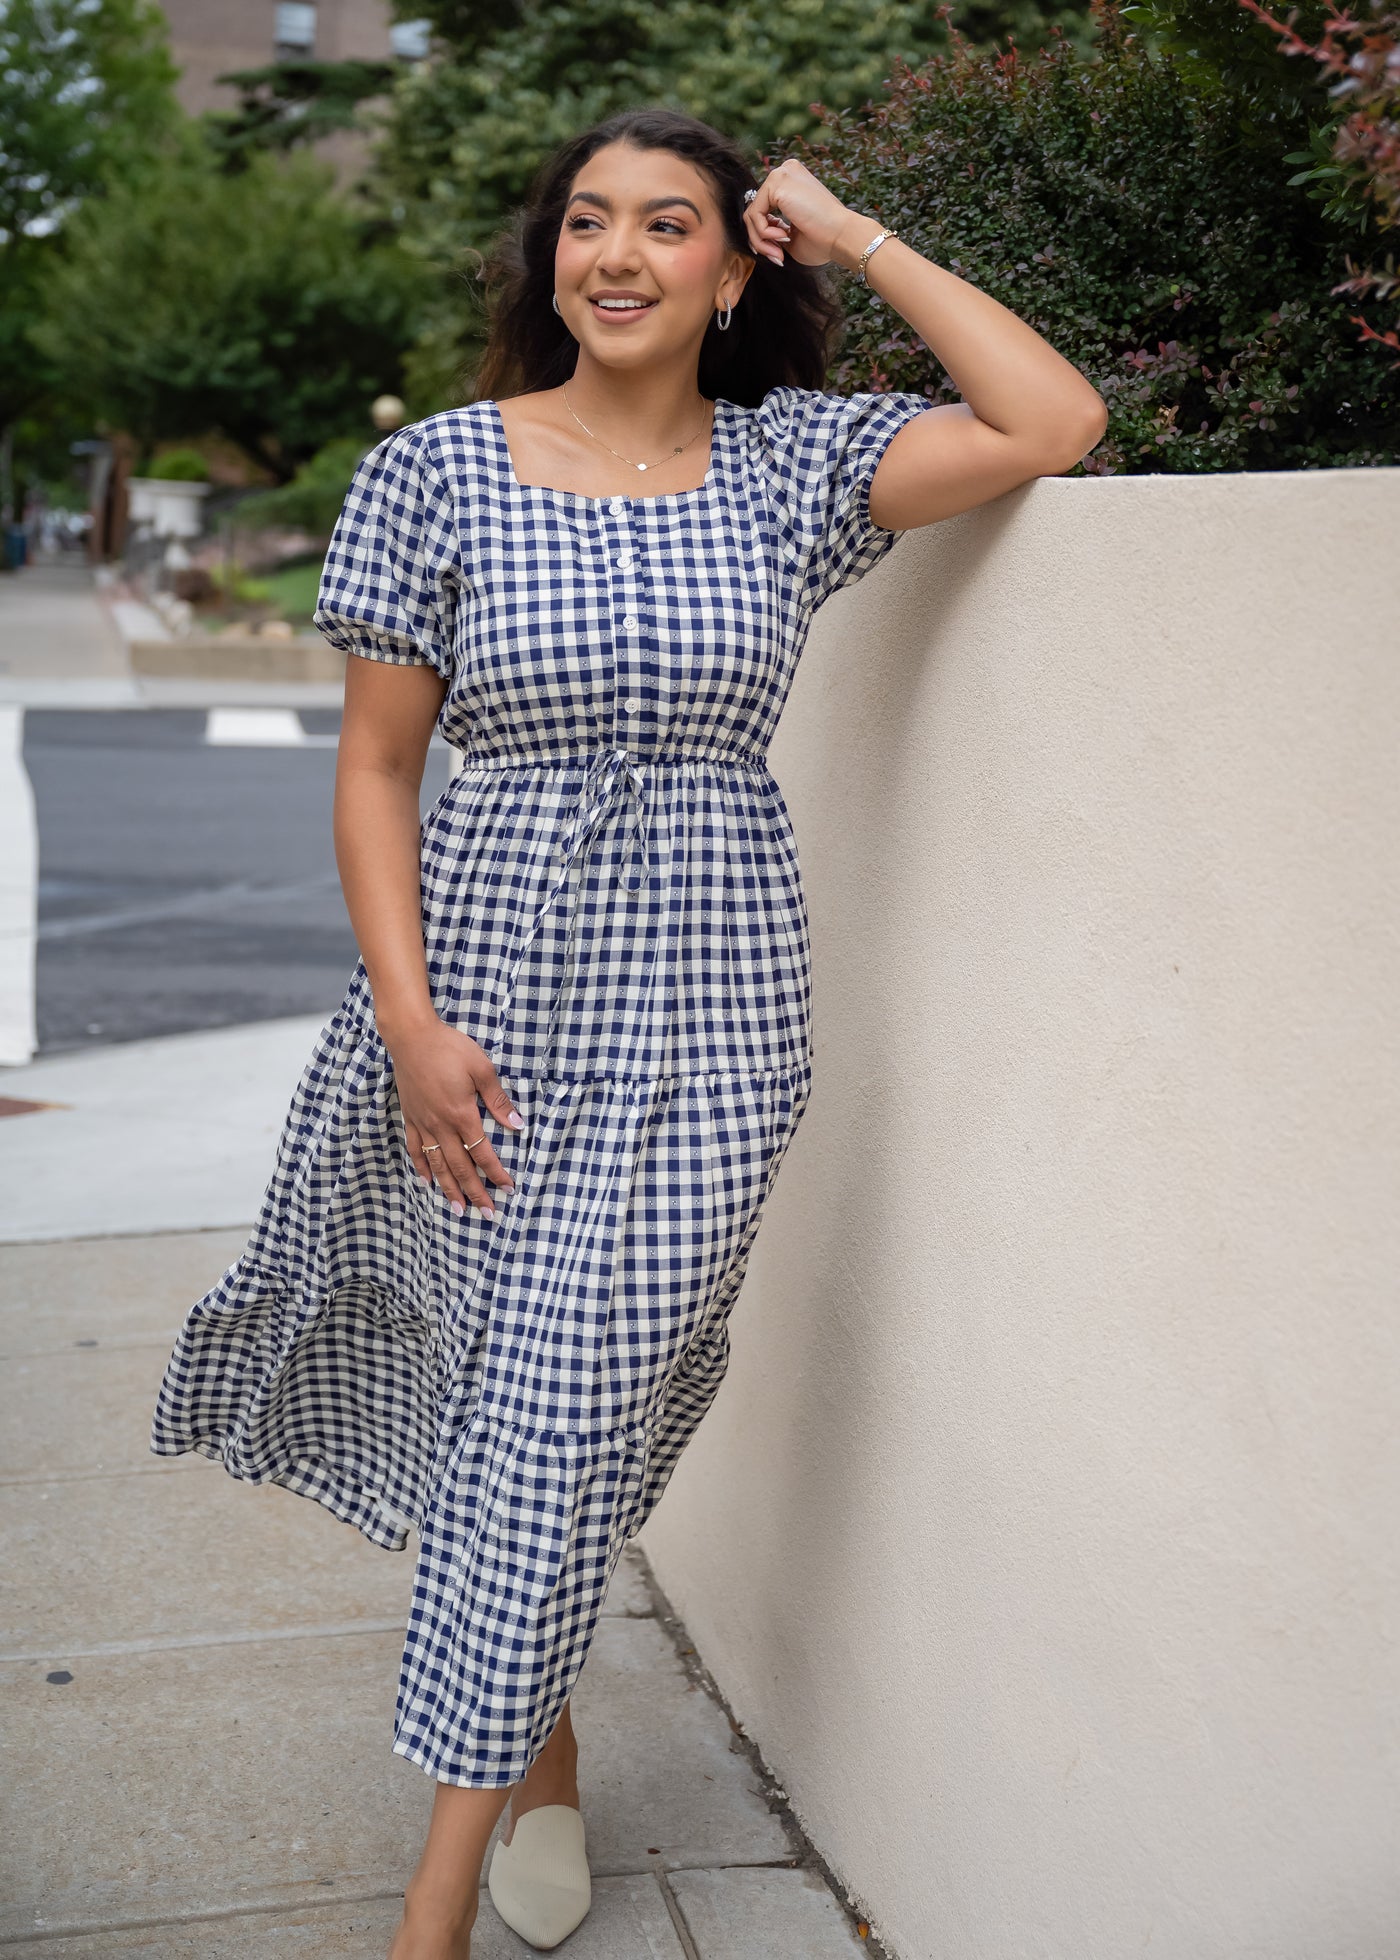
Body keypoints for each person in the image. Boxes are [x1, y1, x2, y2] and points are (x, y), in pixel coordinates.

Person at [150, 106, 1106, 1960]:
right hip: (479, 1006)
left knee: (574, 1395)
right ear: (548, 258)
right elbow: (372, 768)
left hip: (714, 1017)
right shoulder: (437, 470)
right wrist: (414, 1025)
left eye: (668, 226)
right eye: (584, 222)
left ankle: (424, 1918)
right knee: (495, 1399)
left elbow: (1052, 422)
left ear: (734, 271)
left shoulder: (792, 470)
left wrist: (857, 233)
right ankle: (548, 1739)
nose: (613, 255)